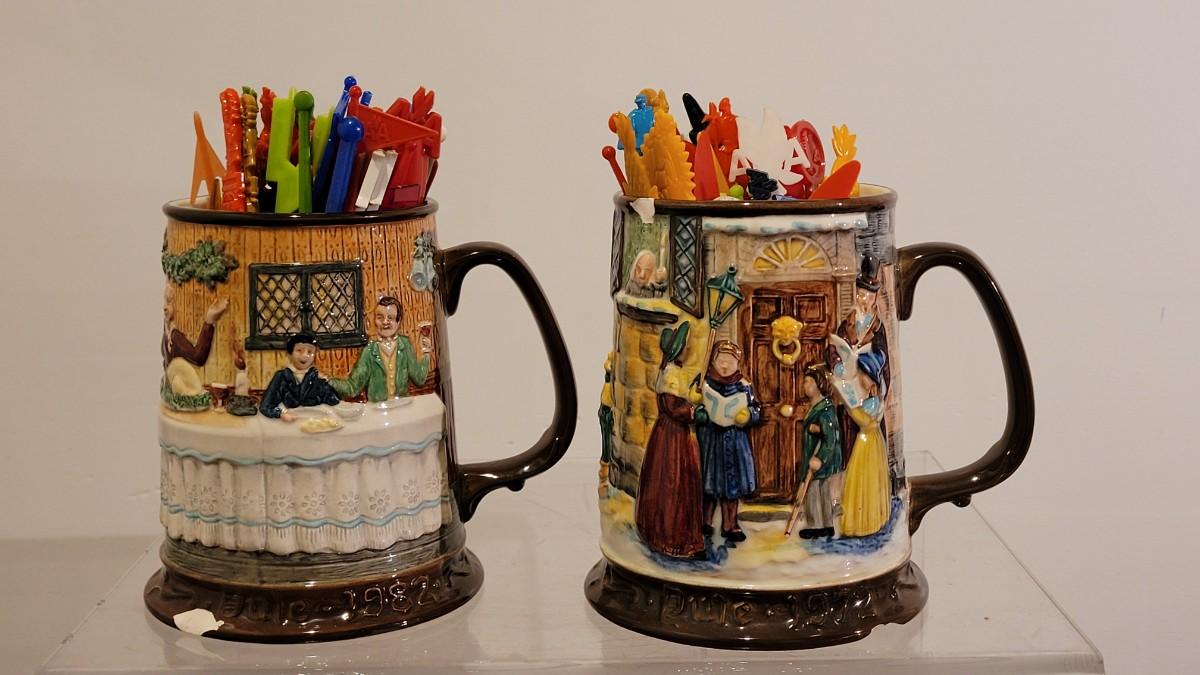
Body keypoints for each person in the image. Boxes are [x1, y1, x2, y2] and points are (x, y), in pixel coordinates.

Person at [634, 322, 706, 559]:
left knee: (673, 480)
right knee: (673, 481)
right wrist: (693, 412)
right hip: (672, 436)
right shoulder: (671, 375)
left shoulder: (673, 371)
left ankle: (667, 535)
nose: (687, 349)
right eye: (683, 346)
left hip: (672, 434)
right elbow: (673, 408)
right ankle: (672, 539)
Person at [827, 254, 890, 481]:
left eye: (869, 296)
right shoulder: (848, 323)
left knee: (869, 440)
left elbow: (883, 361)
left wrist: (874, 383)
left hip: (869, 390)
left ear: (875, 299)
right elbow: (833, 348)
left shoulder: (878, 328)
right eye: (861, 295)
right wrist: (837, 364)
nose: (864, 300)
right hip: (849, 391)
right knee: (848, 441)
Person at [696, 340, 761, 543]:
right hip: (711, 440)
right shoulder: (704, 381)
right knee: (708, 482)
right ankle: (705, 521)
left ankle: (730, 524)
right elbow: (694, 403)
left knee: (732, 487)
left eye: (730, 362)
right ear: (713, 361)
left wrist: (748, 415)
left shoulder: (743, 385)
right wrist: (698, 411)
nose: (725, 366)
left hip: (734, 440)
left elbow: (756, 408)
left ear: (737, 363)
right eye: (721, 361)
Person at [834, 351, 891, 537]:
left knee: (864, 480)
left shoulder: (873, 402)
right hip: (870, 442)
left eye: (862, 374)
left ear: (872, 378)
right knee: (865, 480)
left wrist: (848, 402)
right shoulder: (870, 397)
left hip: (867, 443)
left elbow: (862, 420)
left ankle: (864, 523)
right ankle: (868, 520)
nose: (859, 377)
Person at [331, 296, 431, 402]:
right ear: (375, 321)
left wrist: (426, 352)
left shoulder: (405, 345)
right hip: (377, 408)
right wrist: (330, 382)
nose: (385, 322)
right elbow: (353, 387)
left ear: (398, 321)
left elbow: (419, 379)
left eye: (390, 318)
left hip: (401, 406)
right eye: (380, 317)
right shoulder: (369, 350)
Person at [161, 284, 228, 411]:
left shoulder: (175, 336)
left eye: (169, 302)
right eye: (165, 301)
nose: (164, 307)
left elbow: (198, 357)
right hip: (176, 392)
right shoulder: (167, 332)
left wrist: (209, 321)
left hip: (185, 389)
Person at [797, 364, 842, 539]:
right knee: (823, 490)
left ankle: (815, 525)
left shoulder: (825, 410)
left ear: (819, 385)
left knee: (813, 490)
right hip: (816, 455)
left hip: (822, 457)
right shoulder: (817, 407)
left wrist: (820, 458)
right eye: (805, 382)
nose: (805, 385)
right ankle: (827, 524)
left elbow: (831, 438)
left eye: (809, 382)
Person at [260, 333, 341, 420]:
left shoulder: (316, 376)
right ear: (290, 354)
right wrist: (280, 414)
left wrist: (324, 383)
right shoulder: (282, 376)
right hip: (290, 421)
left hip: (316, 420)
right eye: (299, 350)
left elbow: (334, 401)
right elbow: (265, 406)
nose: (305, 355)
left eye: (310, 352)